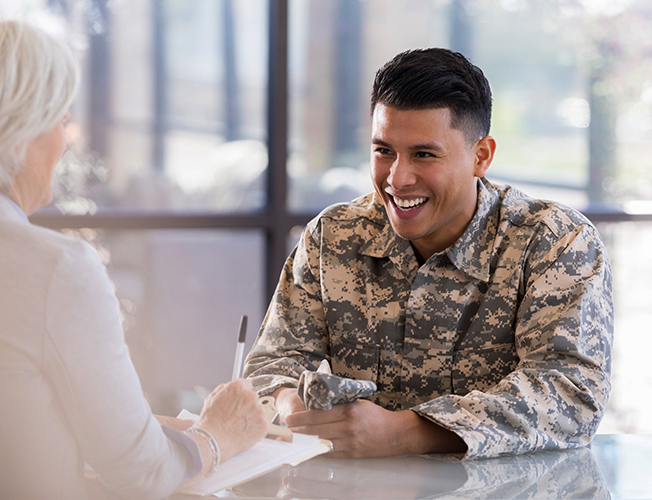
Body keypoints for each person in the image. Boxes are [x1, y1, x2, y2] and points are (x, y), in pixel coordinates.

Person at [244, 48, 613, 460]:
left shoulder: (555, 242)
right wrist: (293, 408)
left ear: (481, 156)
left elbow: (570, 391)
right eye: (384, 150)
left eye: (424, 154)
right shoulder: (333, 236)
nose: (397, 178)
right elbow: (273, 362)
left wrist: (407, 432)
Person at [0, 18, 267, 500]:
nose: (66, 140)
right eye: (61, 120)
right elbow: (141, 474)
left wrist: (143, 428)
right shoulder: (55, 269)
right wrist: (217, 437)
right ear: (19, 134)